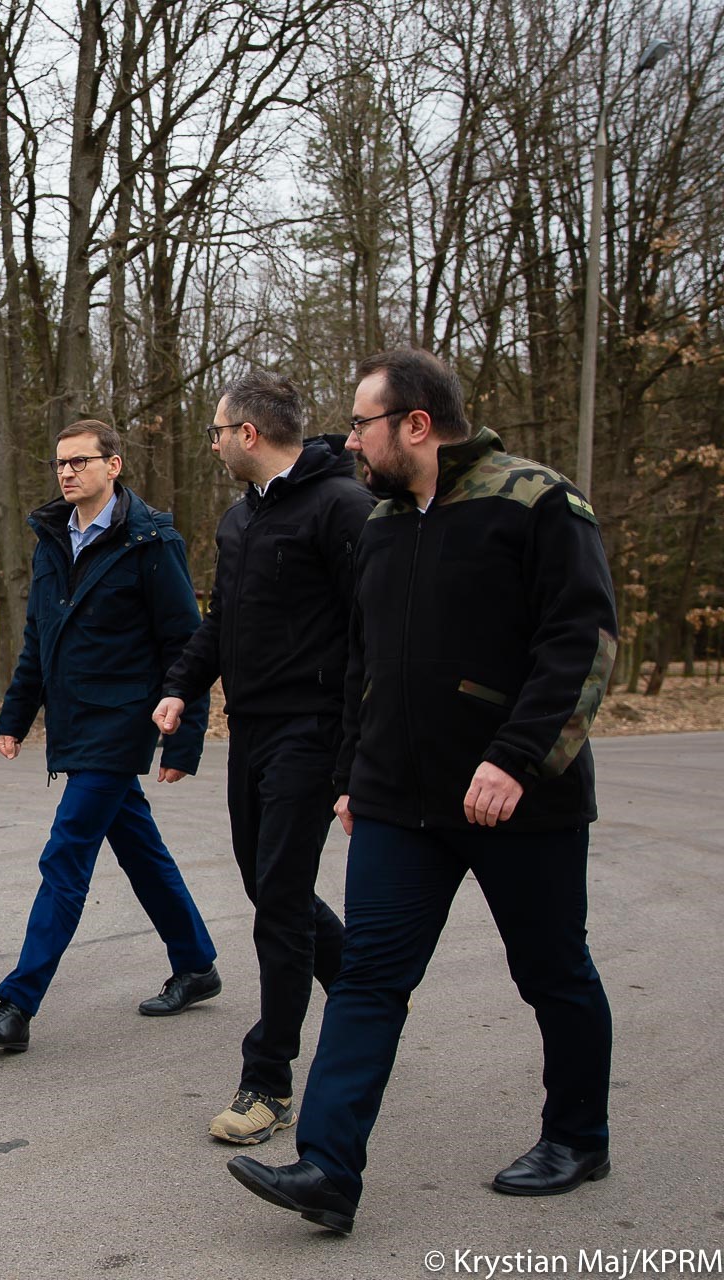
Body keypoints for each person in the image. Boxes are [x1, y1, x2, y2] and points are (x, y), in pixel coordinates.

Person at [229, 348, 619, 1236]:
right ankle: (329, 1169)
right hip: (400, 803)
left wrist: (515, 759)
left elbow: (582, 642)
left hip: (520, 800)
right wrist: (351, 776)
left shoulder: (536, 501)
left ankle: (578, 1137)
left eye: (361, 424)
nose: (348, 441)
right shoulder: (382, 524)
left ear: (415, 424)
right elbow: (364, 662)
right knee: (368, 978)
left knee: (553, 972)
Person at [152, 371, 373, 1145]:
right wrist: (181, 687)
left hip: (312, 732)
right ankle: (361, 990)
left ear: (248, 433)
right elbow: (221, 621)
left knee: (278, 898)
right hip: (250, 730)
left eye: (217, 431)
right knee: (264, 881)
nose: (213, 445)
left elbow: (371, 636)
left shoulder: (343, 508)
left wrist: (356, 754)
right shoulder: (239, 519)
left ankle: (268, 1081)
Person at [0, 419, 218, 1055]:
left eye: (79, 461)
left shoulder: (151, 541)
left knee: (66, 853)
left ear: (113, 465)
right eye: (60, 463)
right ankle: (195, 963)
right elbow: (39, 637)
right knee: (140, 849)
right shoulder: (52, 539)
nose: (67, 472)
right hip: (75, 722)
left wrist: (184, 739)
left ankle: (17, 1003)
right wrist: (15, 715)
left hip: (123, 722)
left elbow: (186, 642)